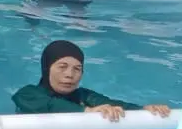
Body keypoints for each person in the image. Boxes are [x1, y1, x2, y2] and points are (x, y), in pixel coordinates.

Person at [12, 40, 171, 120]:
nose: (69, 74)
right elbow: (49, 105)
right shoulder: (28, 93)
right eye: (62, 66)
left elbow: (111, 104)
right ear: (47, 69)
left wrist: (144, 109)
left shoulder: (83, 96)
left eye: (77, 69)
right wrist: (86, 112)